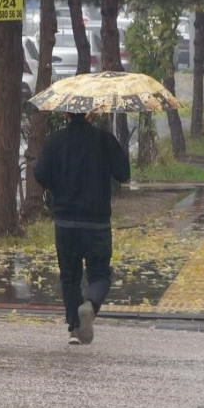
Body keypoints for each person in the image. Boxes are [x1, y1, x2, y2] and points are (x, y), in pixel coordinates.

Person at [33, 112, 130, 345]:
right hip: (97, 222)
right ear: (91, 114)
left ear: (66, 113)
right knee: (100, 273)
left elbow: (41, 176)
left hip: (65, 222)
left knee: (69, 276)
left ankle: (75, 328)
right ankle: (90, 305)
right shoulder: (104, 139)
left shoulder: (54, 141)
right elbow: (123, 174)